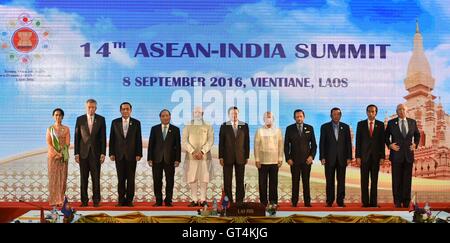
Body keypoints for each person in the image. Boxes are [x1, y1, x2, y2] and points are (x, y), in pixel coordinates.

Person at [385, 104, 420, 208]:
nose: (401, 111)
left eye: (403, 109)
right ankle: (397, 201)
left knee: (407, 180)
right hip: (396, 156)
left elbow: (417, 135)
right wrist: (390, 145)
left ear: (407, 110)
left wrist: (415, 144)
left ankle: (406, 202)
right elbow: (386, 136)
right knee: (396, 180)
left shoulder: (412, 122)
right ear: (397, 111)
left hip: (408, 155)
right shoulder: (391, 123)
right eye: (399, 109)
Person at [109, 102, 143, 207]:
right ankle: (121, 200)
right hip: (119, 155)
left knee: (131, 179)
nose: (125, 111)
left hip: (132, 155)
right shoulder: (115, 122)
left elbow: (138, 139)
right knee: (121, 179)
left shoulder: (136, 123)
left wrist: (139, 153)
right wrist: (111, 153)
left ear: (130, 110)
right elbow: (112, 139)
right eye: (123, 109)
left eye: (127, 109)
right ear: (120, 110)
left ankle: (129, 200)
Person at [74, 99, 106, 207]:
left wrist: (103, 153)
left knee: (95, 178)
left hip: (96, 154)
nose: (91, 109)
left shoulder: (101, 119)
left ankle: (96, 200)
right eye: (89, 107)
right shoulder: (80, 119)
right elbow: (77, 137)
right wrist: (76, 153)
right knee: (84, 178)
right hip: (83, 154)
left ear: (96, 108)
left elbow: (103, 137)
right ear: (86, 107)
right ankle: (84, 201)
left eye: (93, 107)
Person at [147, 109, 181, 207]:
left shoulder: (175, 129)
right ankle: (158, 200)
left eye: (167, 115)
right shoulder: (154, 129)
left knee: (170, 181)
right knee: (157, 180)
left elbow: (177, 146)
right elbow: (151, 144)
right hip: (156, 159)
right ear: (160, 117)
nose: (165, 117)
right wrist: (149, 158)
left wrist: (178, 159)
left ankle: (168, 200)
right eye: (163, 116)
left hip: (170, 159)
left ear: (170, 117)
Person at [320, 107, 352, 207]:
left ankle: (340, 201)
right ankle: (329, 201)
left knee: (341, 181)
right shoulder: (325, 127)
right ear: (331, 115)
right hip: (329, 158)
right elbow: (322, 143)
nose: (336, 116)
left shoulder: (345, 127)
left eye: (338, 114)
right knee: (329, 181)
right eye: (334, 114)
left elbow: (348, 143)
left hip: (342, 159)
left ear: (340, 115)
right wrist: (322, 157)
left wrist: (349, 157)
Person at [182, 107, 214, 207]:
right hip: (191, 157)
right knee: (192, 178)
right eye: (195, 112)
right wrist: (192, 151)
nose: (197, 114)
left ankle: (203, 200)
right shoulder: (188, 125)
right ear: (193, 113)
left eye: (199, 112)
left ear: (203, 113)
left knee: (204, 178)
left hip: (204, 156)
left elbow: (210, 140)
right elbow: (184, 140)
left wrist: (202, 151)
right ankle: (194, 200)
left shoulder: (208, 125)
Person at [284, 109, 317, 207]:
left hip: (307, 161)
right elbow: (286, 145)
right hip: (294, 161)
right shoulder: (289, 128)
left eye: (301, 116)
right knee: (295, 182)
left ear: (304, 117)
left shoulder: (310, 128)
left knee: (306, 182)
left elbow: (314, 145)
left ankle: (307, 202)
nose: (299, 118)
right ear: (294, 118)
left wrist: (311, 156)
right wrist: (288, 158)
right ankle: (294, 202)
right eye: (297, 116)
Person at [355, 104, 385, 207]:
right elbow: (358, 141)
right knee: (364, 181)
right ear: (366, 112)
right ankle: (365, 202)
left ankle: (373, 202)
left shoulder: (381, 125)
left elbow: (382, 142)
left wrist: (382, 157)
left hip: (376, 157)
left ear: (376, 113)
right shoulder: (361, 124)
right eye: (369, 111)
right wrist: (358, 156)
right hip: (364, 157)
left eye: (373, 111)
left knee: (374, 181)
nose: (371, 113)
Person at [219, 106, 250, 205]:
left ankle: (239, 201)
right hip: (227, 157)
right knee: (227, 181)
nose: (234, 115)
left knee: (240, 181)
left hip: (241, 157)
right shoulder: (224, 126)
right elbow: (221, 143)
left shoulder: (244, 125)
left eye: (236, 113)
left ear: (238, 114)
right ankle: (229, 202)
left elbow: (247, 142)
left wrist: (247, 156)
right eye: (232, 113)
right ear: (229, 115)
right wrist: (221, 156)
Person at [254, 112, 283, 206]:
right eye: (266, 117)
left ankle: (273, 202)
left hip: (274, 161)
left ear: (273, 119)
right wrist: (257, 159)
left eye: (270, 117)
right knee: (262, 183)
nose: (268, 119)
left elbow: (280, 145)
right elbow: (256, 146)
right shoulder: (259, 130)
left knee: (273, 183)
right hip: (262, 161)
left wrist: (280, 158)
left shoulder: (277, 130)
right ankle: (263, 202)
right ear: (263, 119)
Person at [46, 108, 70, 207]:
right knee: (53, 178)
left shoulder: (66, 129)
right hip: (53, 157)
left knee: (63, 178)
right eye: (56, 115)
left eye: (60, 115)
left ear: (62, 117)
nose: (58, 117)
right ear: (53, 116)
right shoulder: (50, 129)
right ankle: (53, 200)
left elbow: (67, 143)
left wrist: (62, 154)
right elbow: (49, 143)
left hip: (63, 156)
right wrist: (56, 153)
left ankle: (61, 199)